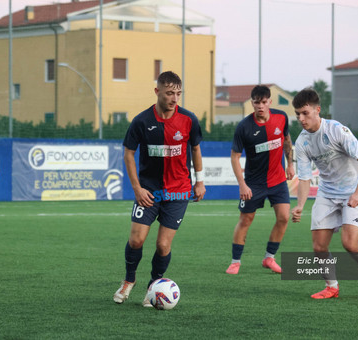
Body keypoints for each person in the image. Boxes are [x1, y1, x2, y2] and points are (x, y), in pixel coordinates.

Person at [113, 71, 206, 307]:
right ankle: (128, 281)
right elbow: (128, 153)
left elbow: (195, 149)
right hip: (149, 191)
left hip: (178, 191)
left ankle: (154, 287)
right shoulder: (142, 121)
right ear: (157, 92)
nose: (174, 98)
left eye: (178, 93)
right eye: (169, 93)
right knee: (136, 240)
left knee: (163, 245)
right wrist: (137, 188)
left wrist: (200, 180)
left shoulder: (189, 119)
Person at [291, 88, 358, 299]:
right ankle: (332, 287)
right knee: (319, 246)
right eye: (298, 114)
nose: (301, 119)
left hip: (353, 190)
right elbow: (304, 178)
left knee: (349, 243)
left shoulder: (337, 130)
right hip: (327, 192)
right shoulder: (302, 142)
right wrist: (300, 205)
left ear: (317, 110)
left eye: (305, 113)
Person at [225, 85, 295, 275]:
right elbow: (234, 157)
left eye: (264, 102)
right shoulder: (244, 127)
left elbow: (287, 141)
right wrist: (242, 184)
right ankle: (235, 261)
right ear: (252, 103)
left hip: (278, 180)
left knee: (283, 217)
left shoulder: (281, 118)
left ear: (270, 102)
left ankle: (269, 258)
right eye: (257, 102)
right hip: (254, 184)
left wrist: (290, 164)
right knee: (246, 219)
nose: (261, 106)